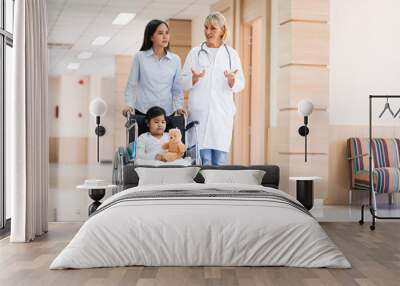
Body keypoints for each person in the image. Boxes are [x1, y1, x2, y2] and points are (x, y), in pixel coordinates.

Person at [181, 12, 245, 166]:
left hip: (221, 115)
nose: (208, 32)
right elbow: (182, 82)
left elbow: (241, 83)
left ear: (222, 30)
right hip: (199, 115)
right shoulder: (195, 53)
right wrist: (193, 79)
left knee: (220, 163)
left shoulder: (232, 55)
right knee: (203, 163)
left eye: (213, 28)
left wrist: (232, 81)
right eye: (206, 27)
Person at [123, 19, 186, 117]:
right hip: (143, 112)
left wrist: (179, 107)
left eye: (167, 33)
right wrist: (129, 104)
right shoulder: (140, 57)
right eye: (160, 33)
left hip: (167, 114)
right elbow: (131, 84)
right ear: (151, 37)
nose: (165, 37)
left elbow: (177, 89)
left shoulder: (175, 60)